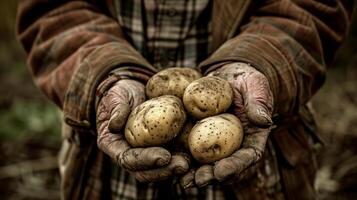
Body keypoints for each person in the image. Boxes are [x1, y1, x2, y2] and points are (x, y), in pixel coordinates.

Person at [16, 0, 353, 199]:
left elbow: (313, 7)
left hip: (264, 172)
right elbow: (52, 9)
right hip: (103, 172)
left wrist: (259, 61)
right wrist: (105, 74)